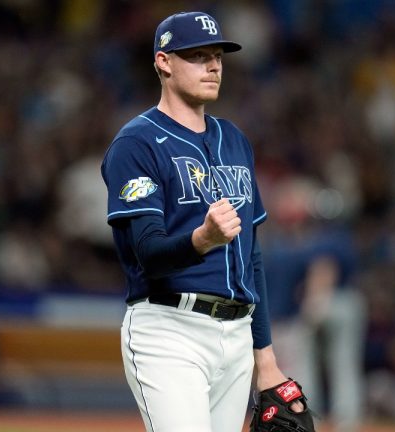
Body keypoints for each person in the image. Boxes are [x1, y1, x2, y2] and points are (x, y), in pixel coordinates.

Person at [101, 11, 302, 432]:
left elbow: (252, 257)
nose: (212, 65)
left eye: (217, 55)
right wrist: (202, 238)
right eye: (196, 55)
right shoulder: (135, 144)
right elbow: (149, 254)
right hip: (169, 330)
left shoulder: (234, 140)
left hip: (236, 336)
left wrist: (265, 360)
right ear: (164, 62)